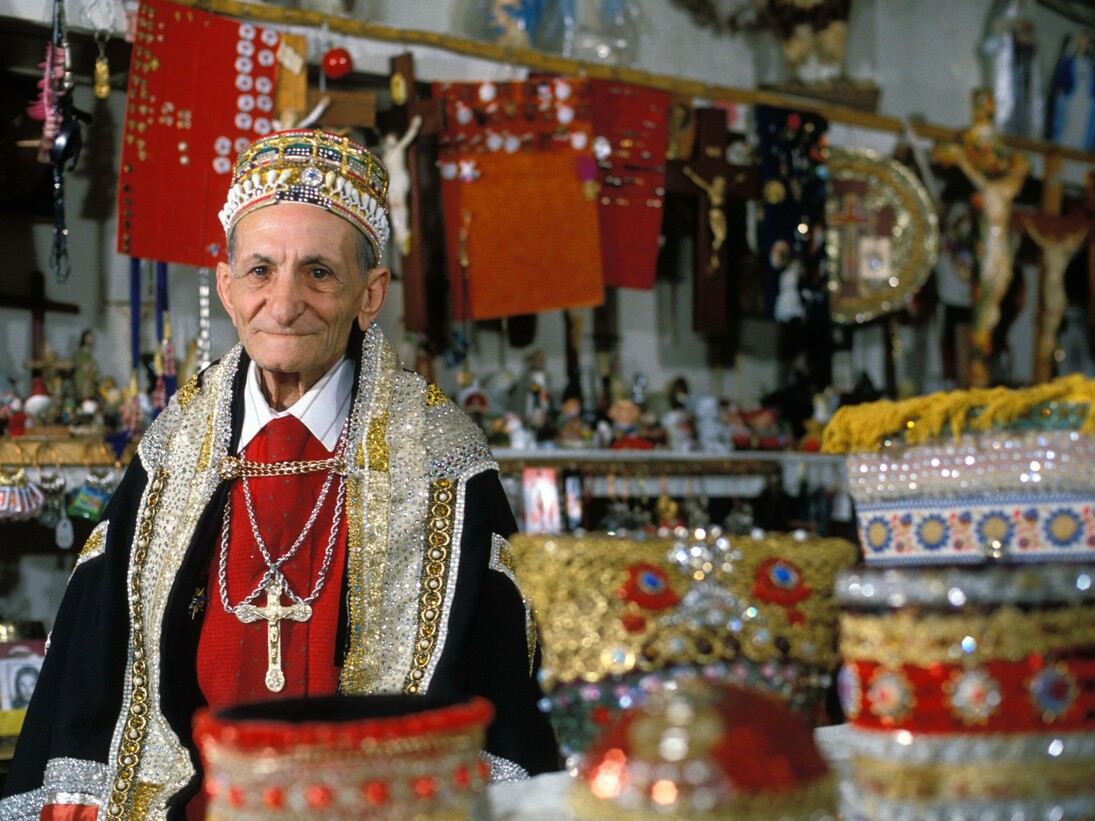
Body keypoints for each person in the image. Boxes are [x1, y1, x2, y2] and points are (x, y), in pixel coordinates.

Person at [1, 129, 558, 820]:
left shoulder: (443, 459)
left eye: (319, 272)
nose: (285, 301)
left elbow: (503, 692)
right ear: (227, 287)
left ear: (370, 293)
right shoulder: (172, 450)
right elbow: (92, 671)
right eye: (261, 269)